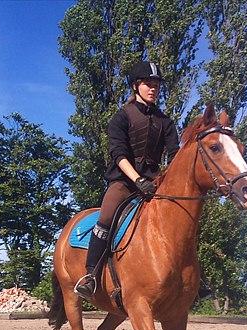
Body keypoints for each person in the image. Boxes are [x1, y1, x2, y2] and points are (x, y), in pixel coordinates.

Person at [74, 60, 180, 299]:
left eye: (156, 85)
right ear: (135, 86)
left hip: (155, 183)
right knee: (106, 216)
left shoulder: (166, 122)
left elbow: (174, 155)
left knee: (180, 219)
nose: (153, 88)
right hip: (124, 181)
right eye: (148, 84)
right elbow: (118, 154)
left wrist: (166, 180)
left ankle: (192, 276)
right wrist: (137, 179)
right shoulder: (121, 118)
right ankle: (91, 275)